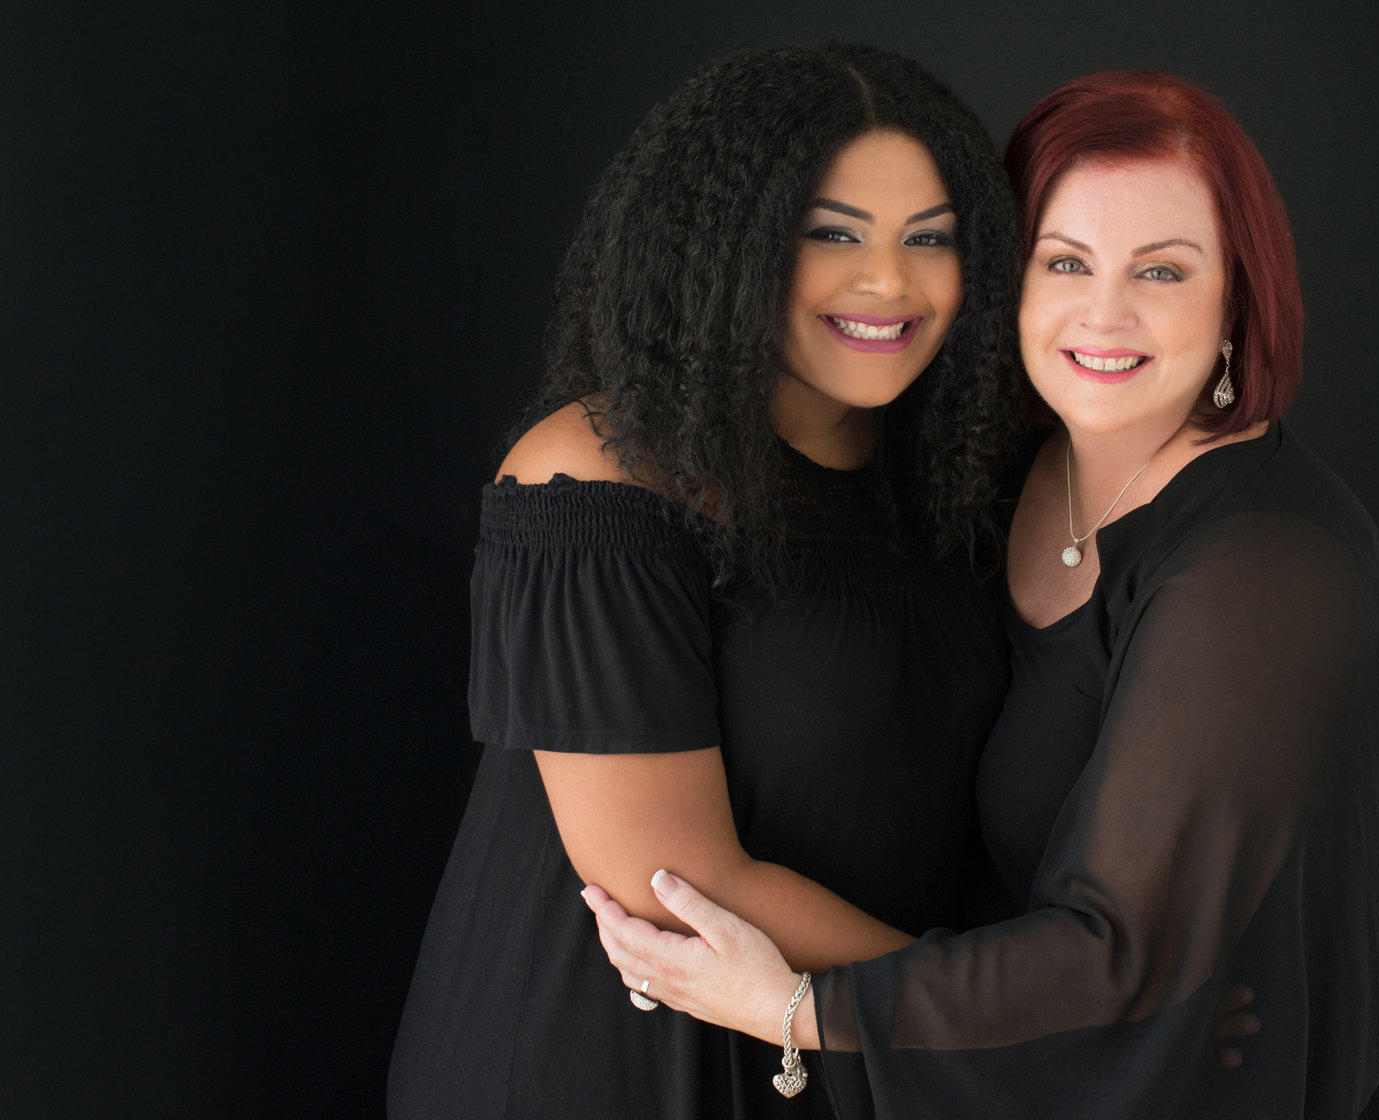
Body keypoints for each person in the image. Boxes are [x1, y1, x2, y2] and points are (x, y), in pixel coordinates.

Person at [584, 70, 1379, 1117]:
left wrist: (796, 1006)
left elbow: (1122, 958)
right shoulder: (1015, 472)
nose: (1104, 313)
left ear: (1237, 296)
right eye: (1065, 261)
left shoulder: (1265, 570)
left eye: (1162, 270)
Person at [387, 44, 1027, 1119]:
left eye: (931, 240)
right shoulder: (597, 477)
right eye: (830, 233)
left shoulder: (955, 486)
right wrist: (1033, 1013)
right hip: (602, 1071)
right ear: (725, 245)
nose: (888, 283)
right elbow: (671, 885)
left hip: (833, 1047)